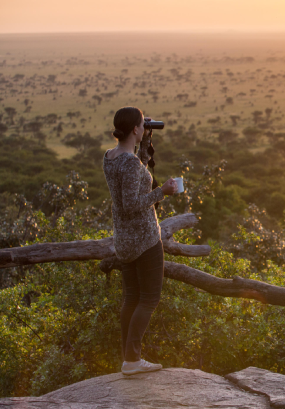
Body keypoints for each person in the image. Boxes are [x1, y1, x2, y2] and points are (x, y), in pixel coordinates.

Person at [103, 106, 178, 375]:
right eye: (141, 126)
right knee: (149, 299)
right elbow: (132, 203)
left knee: (131, 299)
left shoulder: (110, 157)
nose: (144, 128)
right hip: (144, 239)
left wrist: (143, 144)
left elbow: (134, 177)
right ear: (135, 129)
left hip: (123, 240)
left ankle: (129, 359)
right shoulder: (131, 163)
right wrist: (163, 192)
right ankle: (133, 360)